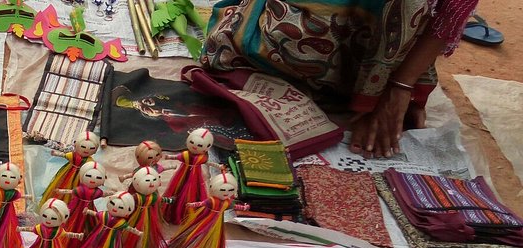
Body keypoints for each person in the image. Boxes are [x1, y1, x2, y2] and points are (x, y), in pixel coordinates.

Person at [202, 0, 481, 158]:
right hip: (328, 16)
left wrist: (401, 87)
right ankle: (353, 86)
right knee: (286, 39)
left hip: (388, 25)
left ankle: (377, 89)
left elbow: (455, 8)